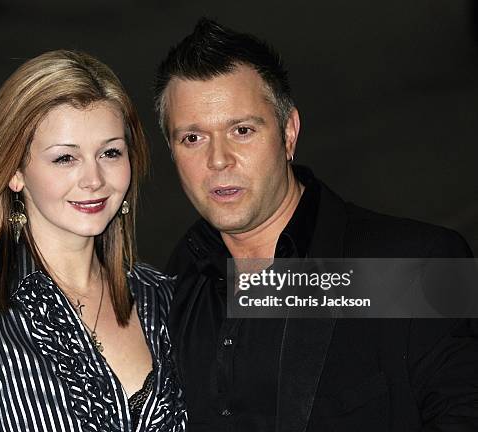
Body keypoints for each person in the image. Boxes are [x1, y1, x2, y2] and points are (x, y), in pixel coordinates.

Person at [154, 18, 478, 431]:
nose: (218, 160)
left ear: (288, 133)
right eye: (192, 138)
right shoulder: (180, 278)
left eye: (242, 130)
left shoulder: (417, 267)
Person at [0, 50, 186, 431]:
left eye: (110, 152)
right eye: (64, 159)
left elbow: (286, 300)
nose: (94, 180)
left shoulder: (169, 297)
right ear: (15, 172)